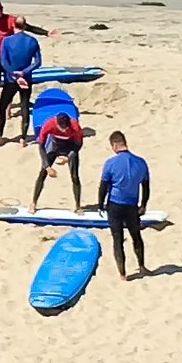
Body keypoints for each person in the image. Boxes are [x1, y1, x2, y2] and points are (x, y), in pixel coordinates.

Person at [95, 131, 152, 280]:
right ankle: (141, 266)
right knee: (136, 236)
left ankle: (123, 273)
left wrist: (100, 204)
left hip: (115, 205)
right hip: (132, 206)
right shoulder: (141, 162)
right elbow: (146, 186)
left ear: (114, 145)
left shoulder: (110, 163)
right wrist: (143, 204)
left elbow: (103, 186)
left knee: (117, 239)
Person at [0, 19, 42, 143]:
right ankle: (23, 138)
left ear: (13, 25)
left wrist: (15, 74)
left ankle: (0, 135)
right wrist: (24, 72)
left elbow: (4, 62)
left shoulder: (6, 41)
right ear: (25, 26)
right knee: (25, 106)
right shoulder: (32, 41)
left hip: (11, 79)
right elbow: (37, 62)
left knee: (2, 106)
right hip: (26, 78)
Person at [32, 111, 84, 211]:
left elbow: (78, 145)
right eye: (62, 128)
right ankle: (33, 203)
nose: (65, 130)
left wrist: (68, 157)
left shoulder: (74, 126)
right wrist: (47, 167)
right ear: (57, 124)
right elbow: (41, 146)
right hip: (55, 145)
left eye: (66, 128)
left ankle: (78, 206)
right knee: (42, 173)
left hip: (70, 147)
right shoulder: (49, 124)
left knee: (75, 176)